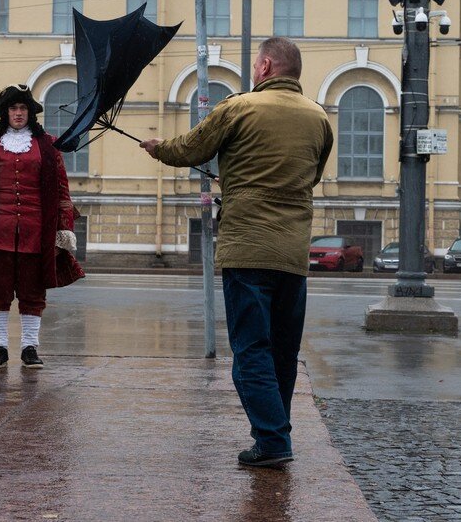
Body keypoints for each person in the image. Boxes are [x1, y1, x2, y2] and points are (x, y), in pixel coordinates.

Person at [140, 37, 333, 467]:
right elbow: (312, 175)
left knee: (250, 350)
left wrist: (158, 148)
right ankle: (276, 433)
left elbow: (190, 149)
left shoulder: (239, 107)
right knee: (283, 351)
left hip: (247, 248)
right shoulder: (319, 118)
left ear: (265, 65)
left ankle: (272, 439)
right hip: (293, 253)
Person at [0, 84, 84, 370]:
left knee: (32, 290)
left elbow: (62, 190)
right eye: (13, 108)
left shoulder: (49, 146)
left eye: (22, 108)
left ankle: (29, 347)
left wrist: (64, 229)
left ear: (30, 113)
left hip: (36, 230)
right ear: (5, 113)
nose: (18, 113)